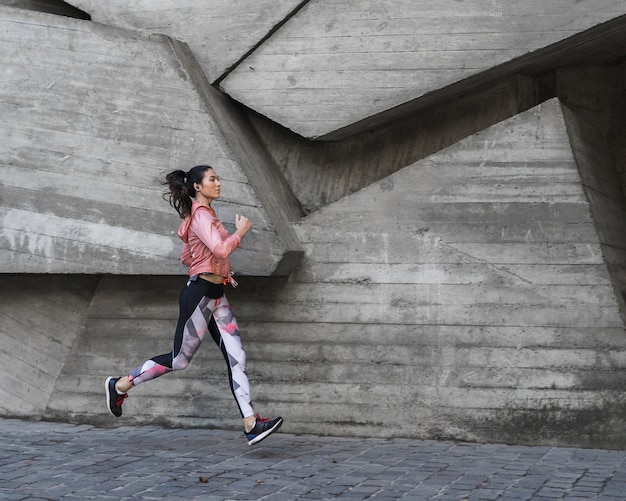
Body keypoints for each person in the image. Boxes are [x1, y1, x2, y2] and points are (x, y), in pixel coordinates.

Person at [105, 164, 283, 446]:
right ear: (198, 186)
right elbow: (221, 249)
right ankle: (120, 385)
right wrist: (239, 233)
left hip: (216, 294)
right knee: (179, 360)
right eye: (213, 179)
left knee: (237, 357)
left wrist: (218, 264)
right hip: (199, 294)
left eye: (218, 178)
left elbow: (190, 256)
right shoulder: (200, 215)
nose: (219, 183)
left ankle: (251, 423)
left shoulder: (206, 215)